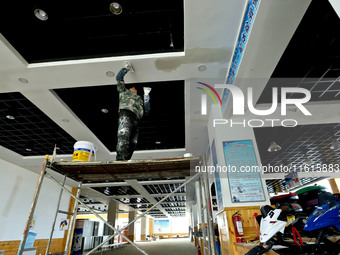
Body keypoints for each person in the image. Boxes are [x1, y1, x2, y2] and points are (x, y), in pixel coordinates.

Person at [115, 67, 150, 160]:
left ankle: (125, 160)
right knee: (124, 136)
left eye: (135, 88)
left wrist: (146, 95)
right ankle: (120, 161)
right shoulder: (124, 92)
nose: (133, 88)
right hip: (126, 113)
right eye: (132, 87)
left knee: (133, 142)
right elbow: (119, 78)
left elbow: (147, 110)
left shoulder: (139, 100)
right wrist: (126, 69)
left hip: (136, 118)